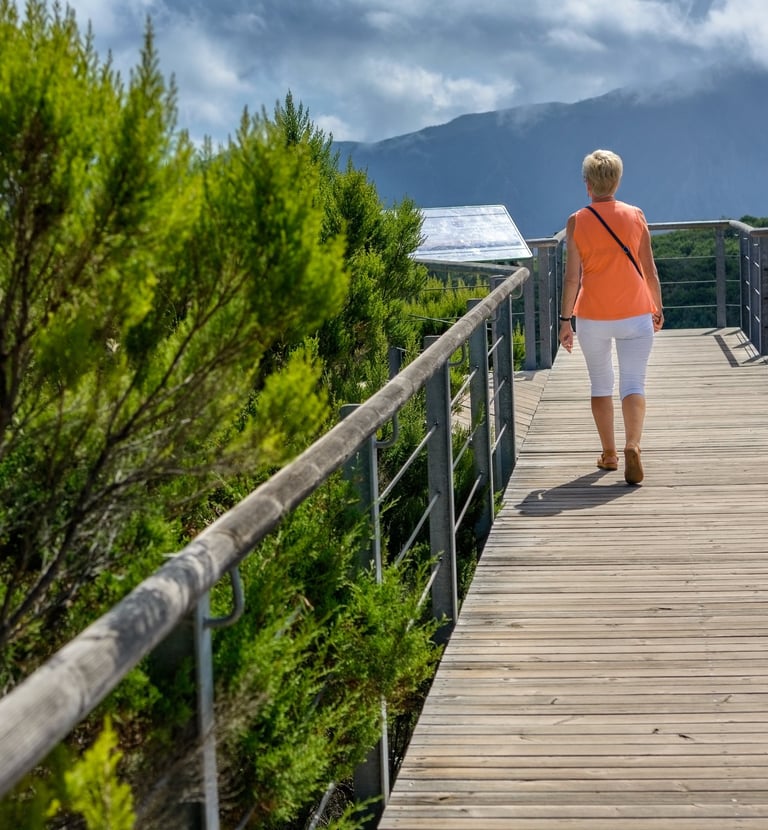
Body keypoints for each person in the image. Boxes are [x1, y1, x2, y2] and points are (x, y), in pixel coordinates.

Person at [558, 149, 664, 485]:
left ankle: (610, 454)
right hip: (635, 312)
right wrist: (657, 307)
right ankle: (633, 444)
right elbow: (649, 269)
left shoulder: (577, 221)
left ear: (587, 185)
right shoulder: (636, 215)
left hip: (593, 316)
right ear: (617, 181)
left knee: (601, 384)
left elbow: (572, 278)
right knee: (633, 383)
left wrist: (565, 321)